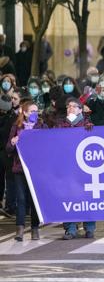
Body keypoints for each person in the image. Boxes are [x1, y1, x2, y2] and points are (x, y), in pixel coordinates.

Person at [54, 98, 96, 239]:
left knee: (87, 197)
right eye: (68, 106)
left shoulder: (87, 124)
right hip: (67, 166)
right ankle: (70, 228)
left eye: (74, 106)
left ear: (80, 109)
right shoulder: (60, 125)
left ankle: (89, 227)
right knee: (69, 196)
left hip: (84, 167)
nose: (70, 108)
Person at [6, 101, 47, 241]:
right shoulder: (17, 127)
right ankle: (20, 229)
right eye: (31, 111)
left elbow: (49, 144)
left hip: (36, 169)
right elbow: (8, 149)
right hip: (20, 169)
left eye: (36, 111)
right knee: (21, 199)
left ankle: (35, 229)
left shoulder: (41, 126)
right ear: (24, 112)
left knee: (33, 199)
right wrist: (13, 142)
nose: (34, 114)